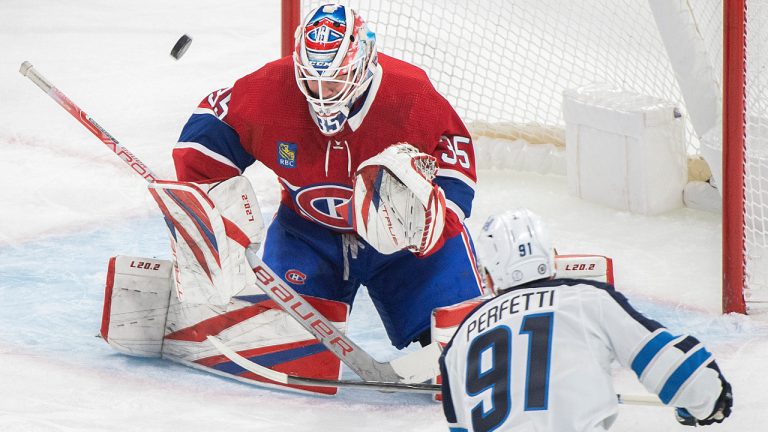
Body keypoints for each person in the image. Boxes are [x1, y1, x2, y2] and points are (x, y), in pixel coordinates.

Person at [170, 3, 483, 350]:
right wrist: (209, 206)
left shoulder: (410, 95)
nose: (323, 94)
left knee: (461, 341)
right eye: (312, 80)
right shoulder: (271, 89)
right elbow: (211, 129)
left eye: (335, 80)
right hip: (307, 235)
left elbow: (455, 159)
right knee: (283, 344)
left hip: (402, 244)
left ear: (363, 65)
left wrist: (436, 223)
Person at [439, 209, 733, 431]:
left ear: (489, 275)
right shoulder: (586, 299)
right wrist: (707, 402)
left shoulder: (458, 343)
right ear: (551, 258)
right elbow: (679, 372)